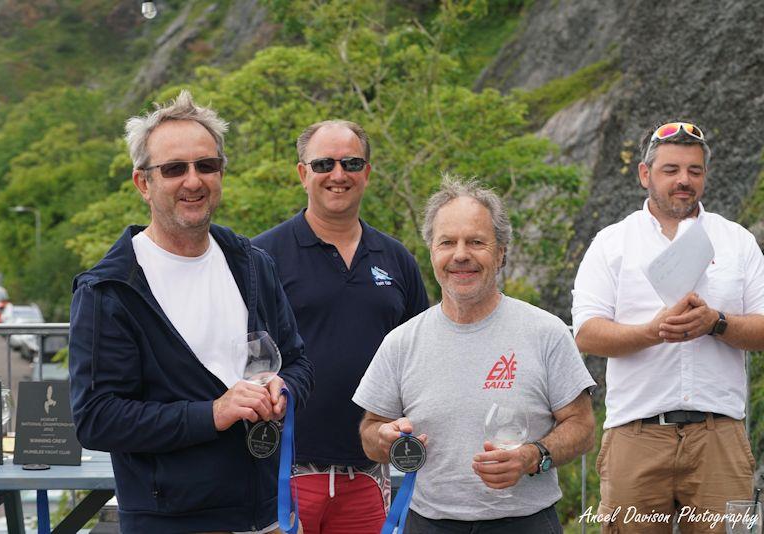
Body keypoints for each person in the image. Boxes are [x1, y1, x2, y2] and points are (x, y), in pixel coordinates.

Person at [68, 90, 313, 533]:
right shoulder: (110, 289)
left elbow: (298, 361)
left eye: (206, 165)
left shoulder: (252, 264)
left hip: (271, 513)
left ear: (221, 173)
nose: (193, 180)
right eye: (174, 169)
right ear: (144, 183)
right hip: (172, 521)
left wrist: (285, 388)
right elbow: (97, 418)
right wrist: (213, 413)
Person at [354, 176, 596, 534]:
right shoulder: (401, 342)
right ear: (432, 252)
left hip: (526, 523)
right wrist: (384, 438)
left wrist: (533, 456)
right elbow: (369, 433)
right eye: (447, 242)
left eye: (477, 242)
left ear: (500, 254)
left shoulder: (546, 332)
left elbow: (583, 427)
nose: (461, 254)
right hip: (428, 523)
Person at [572, 121, 764, 533]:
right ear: (645, 174)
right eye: (671, 170)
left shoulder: (737, 241)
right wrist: (651, 331)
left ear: (705, 177)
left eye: (694, 171)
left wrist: (717, 322)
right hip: (636, 434)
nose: (684, 180)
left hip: (721, 437)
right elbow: (586, 333)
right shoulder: (612, 242)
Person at [252, 120, 428, 534]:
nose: (338, 174)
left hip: (369, 474)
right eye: (323, 163)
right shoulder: (260, 256)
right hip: (283, 472)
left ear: (367, 172)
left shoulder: (397, 258)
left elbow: (422, 357)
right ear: (302, 173)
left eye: (351, 162)